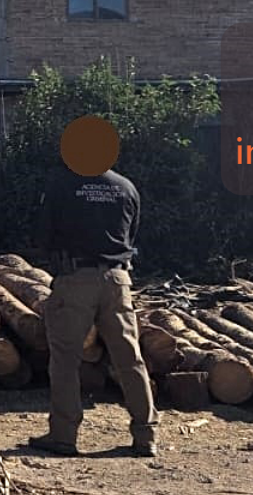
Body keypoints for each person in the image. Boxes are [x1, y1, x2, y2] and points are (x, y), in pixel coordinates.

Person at [30, 118, 159, 457]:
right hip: (119, 280)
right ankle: (146, 436)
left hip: (75, 279)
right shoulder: (127, 188)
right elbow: (132, 235)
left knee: (65, 360)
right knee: (129, 358)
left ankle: (64, 435)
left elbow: (44, 235)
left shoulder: (60, 185)